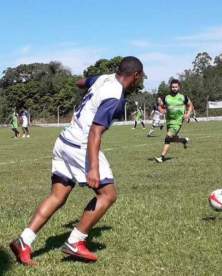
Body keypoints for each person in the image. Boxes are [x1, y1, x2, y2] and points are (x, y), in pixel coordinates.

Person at [9, 56, 144, 265]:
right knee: (108, 194)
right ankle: (75, 241)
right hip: (80, 145)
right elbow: (94, 133)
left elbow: (81, 82)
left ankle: (23, 241)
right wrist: (93, 169)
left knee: (57, 195)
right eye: (140, 77)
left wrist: (89, 92)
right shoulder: (116, 96)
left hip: (64, 140)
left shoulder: (104, 78)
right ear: (135, 76)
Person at [154, 79, 193, 163]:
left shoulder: (183, 97)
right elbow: (159, 106)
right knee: (172, 138)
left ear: (179, 87)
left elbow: (190, 105)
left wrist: (188, 114)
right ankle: (183, 140)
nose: (174, 88)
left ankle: (162, 157)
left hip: (178, 121)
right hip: (169, 121)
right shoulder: (166, 97)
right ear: (170, 87)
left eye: (176, 87)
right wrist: (161, 110)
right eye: (172, 87)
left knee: (168, 137)